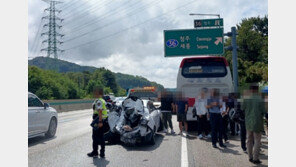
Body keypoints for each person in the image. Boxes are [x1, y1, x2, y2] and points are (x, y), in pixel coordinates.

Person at [242, 84, 266, 164]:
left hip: (248, 121)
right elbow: (264, 110)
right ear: (257, 90)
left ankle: (250, 157)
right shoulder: (260, 98)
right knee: (257, 140)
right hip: (257, 122)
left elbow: (242, 108)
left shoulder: (246, 98)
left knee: (249, 139)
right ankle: (256, 158)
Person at [87, 87, 108, 158]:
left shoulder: (99, 101)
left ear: (98, 93)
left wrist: (100, 121)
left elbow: (100, 111)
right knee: (99, 136)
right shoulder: (101, 100)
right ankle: (100, 152)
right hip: (98, 119)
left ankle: (96, 152)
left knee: (97, 137)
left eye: (95, 92)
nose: (94, 93)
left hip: (99, 120)